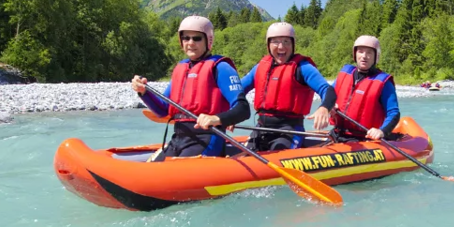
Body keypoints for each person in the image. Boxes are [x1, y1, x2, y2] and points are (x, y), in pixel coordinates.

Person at [131, 16, 247, 161]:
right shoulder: (181, 69)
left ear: (208, 41)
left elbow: (243, 109)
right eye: (186, 38)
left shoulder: (221, 67)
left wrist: (217, 118)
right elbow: (163, 110)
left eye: (197, 38)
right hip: (179, 138)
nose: (190, 43)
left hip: (207, 139)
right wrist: (144, 92)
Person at [219, 21, 334, 151]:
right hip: (260, 128)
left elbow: (328, 90)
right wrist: (231, 115)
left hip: (289, 131)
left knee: (278, 151)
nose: (281, 47)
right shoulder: (260, 67)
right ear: (268, 45)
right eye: (275, 42)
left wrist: (324, 108)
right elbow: (237, 92)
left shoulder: (303, 68)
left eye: (286, 42)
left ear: (293, 44)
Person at [331, 35, 401, 141]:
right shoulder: (345, 73)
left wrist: (381, 131)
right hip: (337, 133)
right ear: (355, 54)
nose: (364, 56)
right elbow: (328, 94)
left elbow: (393, 113)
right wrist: (328, 105)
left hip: (364, 139)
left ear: (375, 56)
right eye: (360, 51)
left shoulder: (383, 83)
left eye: (369, 53)